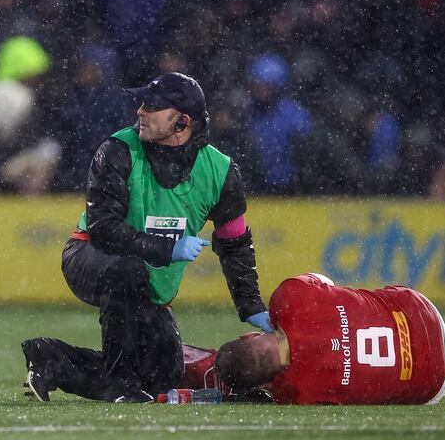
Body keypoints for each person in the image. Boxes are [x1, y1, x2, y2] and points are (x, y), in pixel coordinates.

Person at [21, 72, 272, 403]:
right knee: (127, 272)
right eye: (142, 102)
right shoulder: (116, 150)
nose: (140, 110)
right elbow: (103, 229)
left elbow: (235, 244)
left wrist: (250, 304)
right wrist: (168, 248)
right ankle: (120, 386)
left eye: (152, 106)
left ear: (183, 122)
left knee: (160, 378)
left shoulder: (221, 172)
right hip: (89, 255)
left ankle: (51, 358)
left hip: (146, 281)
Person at [213, 273, 445, 405]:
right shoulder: (288, 297)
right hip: (422, 311)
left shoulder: (296, 393)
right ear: (247, 334)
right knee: (339, 293)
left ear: (262, 385)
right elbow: (324, 280)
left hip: (432, 381)